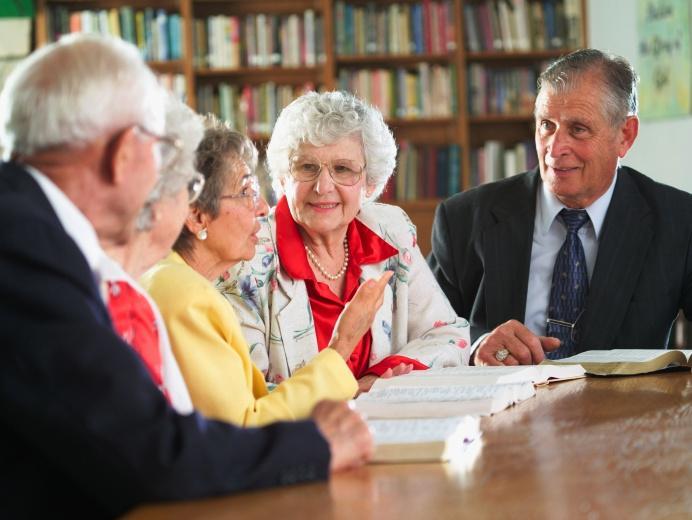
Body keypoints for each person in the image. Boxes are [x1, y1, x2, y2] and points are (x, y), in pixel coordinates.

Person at [0, 34, 371, 518]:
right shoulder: (25, 245)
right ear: (123, 154)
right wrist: (316, 446)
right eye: (159, 150)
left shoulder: (32, 229)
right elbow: (148, 449)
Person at [428, 48, 692, 366]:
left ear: (625, 134)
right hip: (505, 407)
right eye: (546, 126)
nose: (555, 148)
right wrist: (477, 346)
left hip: (622, 410)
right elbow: (426, 333)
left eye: (577, 129)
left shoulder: (678, 222)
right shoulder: (463, 219)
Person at [142, 116, 391, 425]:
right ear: (197, 216)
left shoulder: (176, 280)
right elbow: (242, 430)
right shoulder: (185, 296)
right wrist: (341, 347)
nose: (261, 209)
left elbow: (250, 405)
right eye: (246, 191)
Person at [221, 91, 471, 394]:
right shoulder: (247, 255)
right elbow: (250, 391)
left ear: (369, 182)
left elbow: (448, 335)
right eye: (307, 167)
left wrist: (380, 379)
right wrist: (349, 392)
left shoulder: (391, 231)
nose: (323, 186)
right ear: (284, 178)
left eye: (343, 169)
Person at [100, 94, 205, 412]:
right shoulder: (124, 302)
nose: (190, 203)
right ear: (156, 199)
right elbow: (166, 452)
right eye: (190, 186)